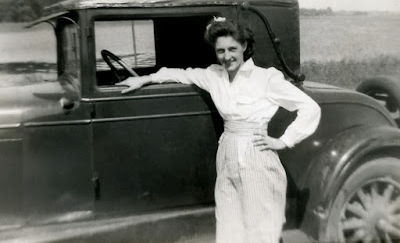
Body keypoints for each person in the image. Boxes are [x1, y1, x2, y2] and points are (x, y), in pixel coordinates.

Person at [116, 17, 321, 243]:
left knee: (260, 227)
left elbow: (309, 107)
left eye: (232, 49)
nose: (227, 56)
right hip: (227, 152)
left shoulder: (266, 78)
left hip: (256, 156)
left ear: (244, 46)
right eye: (220, 50)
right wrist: (145, 79)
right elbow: (181, 74)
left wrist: (284, 141)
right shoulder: (214, 75)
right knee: (228, 225)